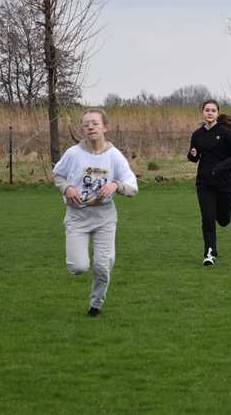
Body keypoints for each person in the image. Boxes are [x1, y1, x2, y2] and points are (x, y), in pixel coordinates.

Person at [52, 109, 138, 317]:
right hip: (77, 216)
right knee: (79, 267)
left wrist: (116, 185)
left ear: (105, 127)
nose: (90, 127)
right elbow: (58, 174)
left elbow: (132, 186)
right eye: (86, 124)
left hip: (104, 217)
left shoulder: (114, 156)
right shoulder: (73, 153)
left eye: (95, 123)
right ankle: (82, 266)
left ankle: (95, 305)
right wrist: (67, 188)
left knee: (102, 266)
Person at [187, 99, 231, 266]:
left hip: (226, 183)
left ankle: (224, 216)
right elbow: (194, 158)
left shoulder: (225, 132)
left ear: (217, 113)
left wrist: (220, 167)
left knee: (224, 220)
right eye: (207, 110)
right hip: (205, 182)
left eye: (213, 110)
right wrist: (192, 154)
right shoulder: (197, 134)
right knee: (207, 218)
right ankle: (209, 253)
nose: (210, 113)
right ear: (203, 112)